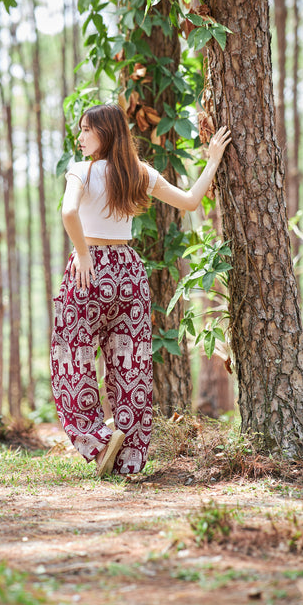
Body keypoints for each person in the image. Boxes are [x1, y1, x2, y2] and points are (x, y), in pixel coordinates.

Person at [50, 103, 231, 477]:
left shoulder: (80, 171)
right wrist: (212, 161)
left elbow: (69, 213)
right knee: (131, 365)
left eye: (87, 130)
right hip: (128, 271)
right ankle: (129, 458)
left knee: (72, 358)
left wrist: (83, 256)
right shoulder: (139, 173)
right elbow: (190, 201)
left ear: (106, 133)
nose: (80, 137)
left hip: (89, 273)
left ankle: (98, 441)